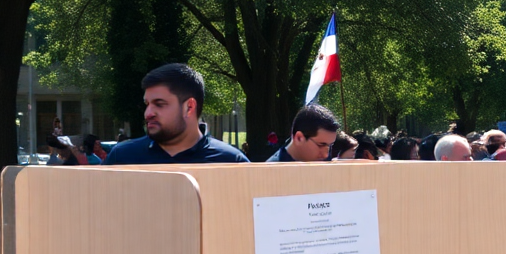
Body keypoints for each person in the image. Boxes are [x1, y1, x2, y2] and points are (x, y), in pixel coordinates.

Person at [104, 64, 249, 164]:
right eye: (147, 104)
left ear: (189, 107)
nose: (148, 113)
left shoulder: (231, 162)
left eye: (159, 104)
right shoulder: (122, 157)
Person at [267, 105, 340, 162]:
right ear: (299, 138)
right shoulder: (270, 173)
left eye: (329, 146)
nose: (326, 155)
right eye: (321, 145)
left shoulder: (324, 163)